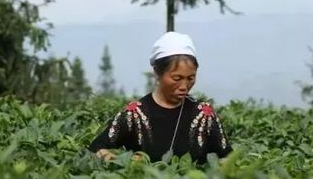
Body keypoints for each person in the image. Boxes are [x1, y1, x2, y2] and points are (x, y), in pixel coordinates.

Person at [88, 32, 232, 164]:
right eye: (177, 78)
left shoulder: (204, 114)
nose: (184, 86)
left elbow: (227, 157)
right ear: (157, 73)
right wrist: (125, 161)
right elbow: (95, 150)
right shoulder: (135, 113)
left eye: (190, 78)